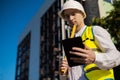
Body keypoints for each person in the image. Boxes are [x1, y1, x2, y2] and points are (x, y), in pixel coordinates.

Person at [58, 0, 120, 80]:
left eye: (73, 14)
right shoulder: (69, 43)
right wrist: (65, 74)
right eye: (67, 16)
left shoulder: (95, 30)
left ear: (82, 14)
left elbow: (117, 57)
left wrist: (95, 57)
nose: (70, 18)